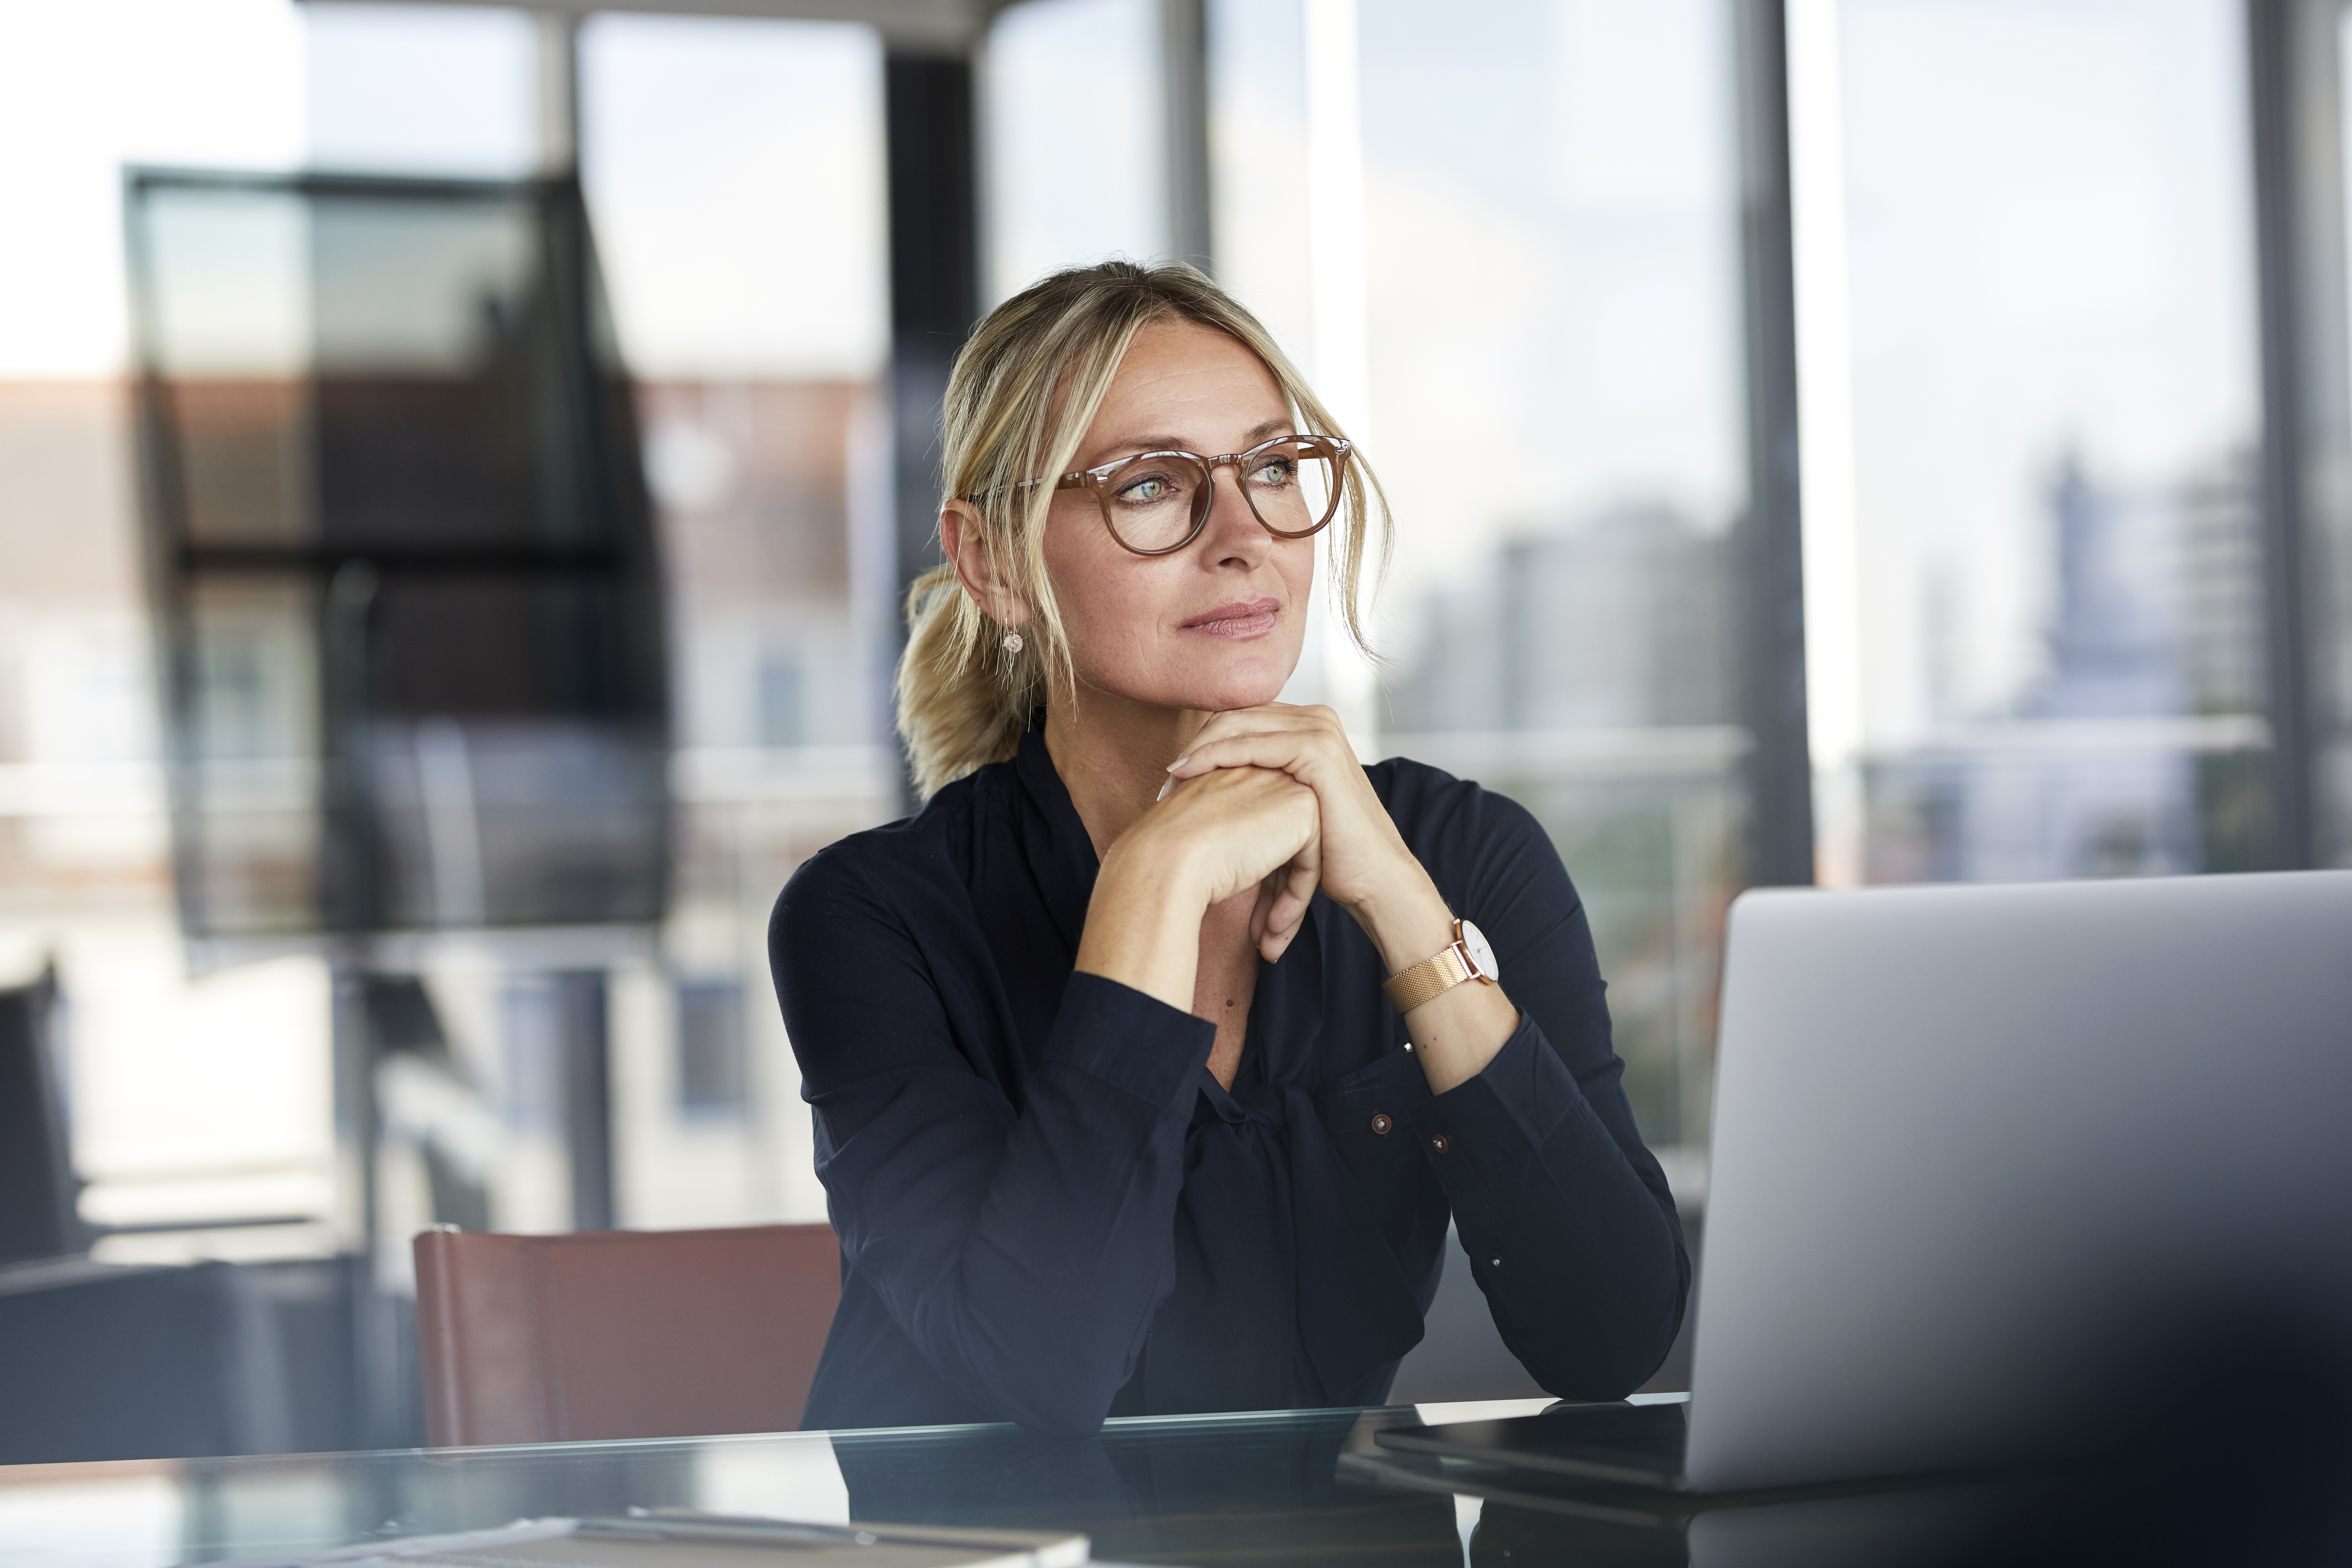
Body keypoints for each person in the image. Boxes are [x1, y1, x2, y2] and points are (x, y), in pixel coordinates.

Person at [770, 261, 1688, 1437]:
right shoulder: (871, 916)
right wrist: (1154, 881)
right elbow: (1040, 1374)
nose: (1247, 535)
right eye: (1151, 485)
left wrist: (1407, 915)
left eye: (1271, 468)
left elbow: (1613, 1334)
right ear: (994, 562)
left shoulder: (1463, 855)